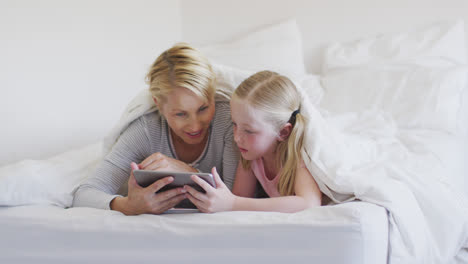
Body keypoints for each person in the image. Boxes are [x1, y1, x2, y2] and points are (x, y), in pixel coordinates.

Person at [72, 43, 239, 215]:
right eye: (180, 114)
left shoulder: (228, 120)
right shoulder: (146, 129)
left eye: (203, 108)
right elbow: (84, 194)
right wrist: (128, 206)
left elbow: (237, 197)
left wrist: (187, 171)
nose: (195, 125)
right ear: (158, 104)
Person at [183, 70, 322, 213]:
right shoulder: (251, 156)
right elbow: (239, 201)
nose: (236, 137)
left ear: (282, 132)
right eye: (234, 124)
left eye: (249, 131)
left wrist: (233, 203)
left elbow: (309, 204)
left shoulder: (297, 157)